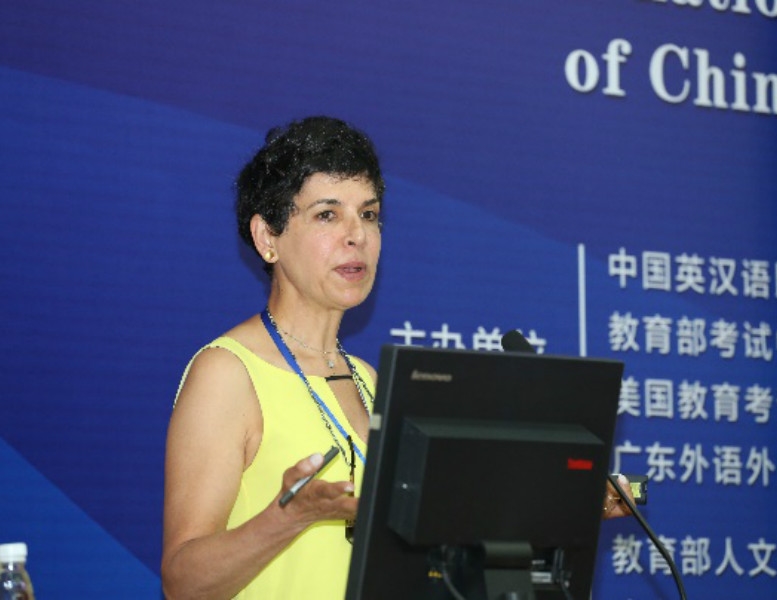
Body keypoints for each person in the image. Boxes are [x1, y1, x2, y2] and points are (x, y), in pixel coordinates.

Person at [161, 116, 633, 599]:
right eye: (327, 215)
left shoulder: (367, 380)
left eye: (369, 215)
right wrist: (288, 519)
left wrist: (556, 507)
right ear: (267, 237)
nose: (357, 235)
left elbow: (432, 553)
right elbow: (182, 581)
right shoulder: (228, 373)